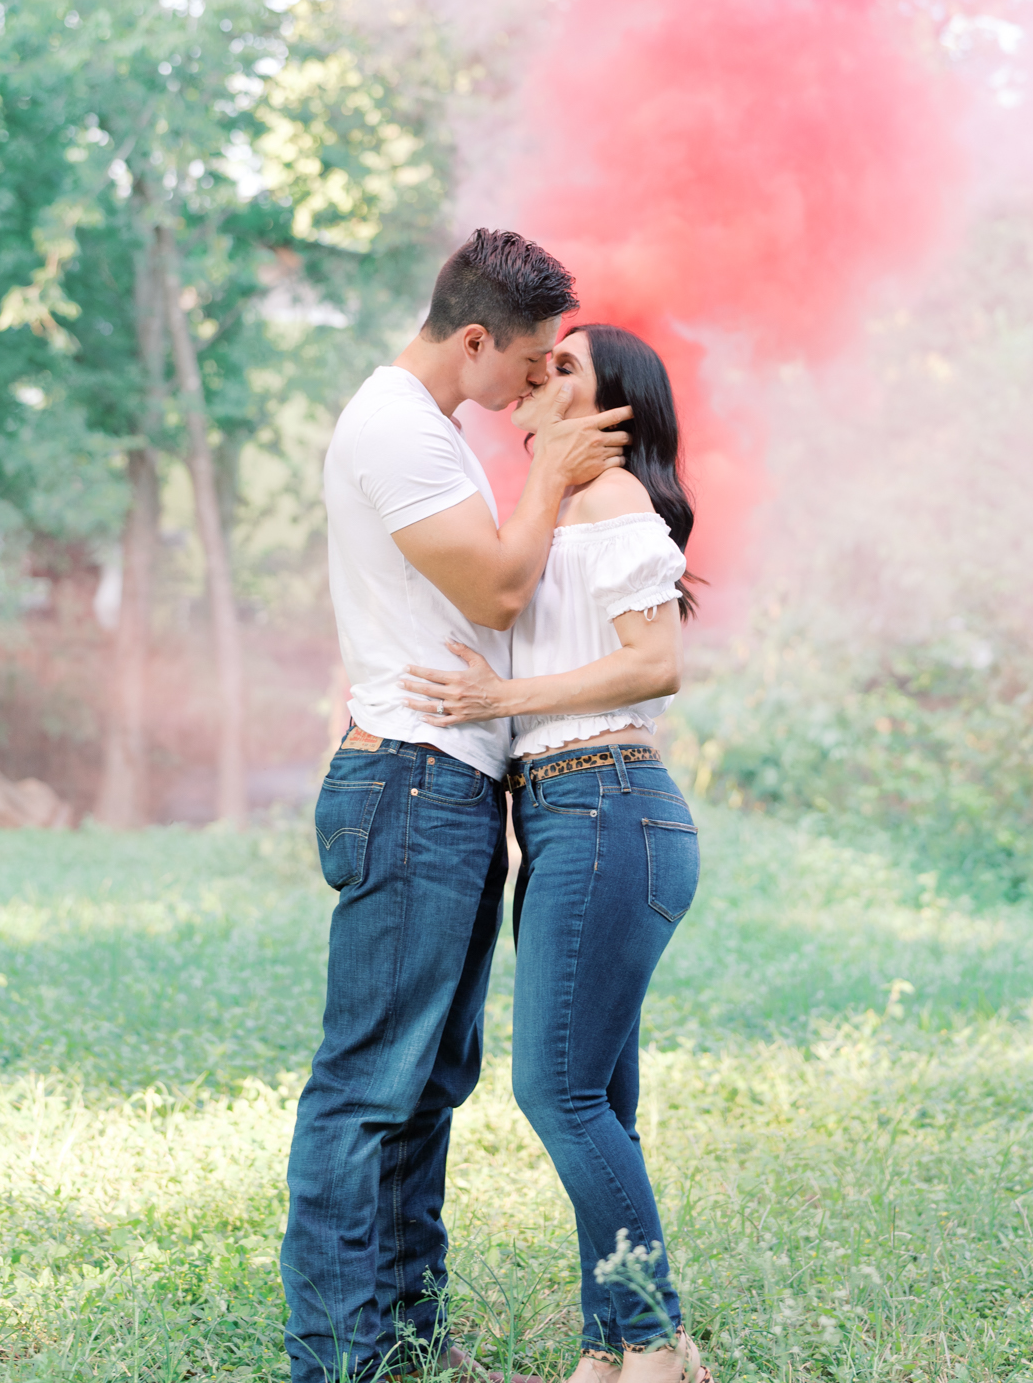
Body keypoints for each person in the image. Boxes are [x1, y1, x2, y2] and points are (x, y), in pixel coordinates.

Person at [282, 233, 632, 1383]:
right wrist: (548, 476)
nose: (537, 386)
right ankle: (342, 1360)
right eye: (529, 364)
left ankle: (405, 1334)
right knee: (369, 1085)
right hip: (412, 781)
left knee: (428, 1082)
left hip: (448, 782)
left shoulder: (429, 435)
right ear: (474, 339)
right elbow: (494, 584)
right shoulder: (394, 426)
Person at [404, 325, 709, 1383]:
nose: (542, 374)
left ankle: (662, 1346)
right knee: (599, 1104)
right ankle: (607, 1349)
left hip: (608, 808)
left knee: (558, 1095)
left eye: (566, 366)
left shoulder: (612, 503)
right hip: (568, 816)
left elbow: (656, 661)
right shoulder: (558, 511)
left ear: (611, 411)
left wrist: (503, 698)